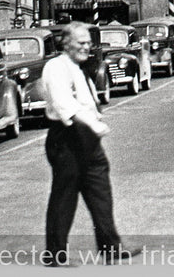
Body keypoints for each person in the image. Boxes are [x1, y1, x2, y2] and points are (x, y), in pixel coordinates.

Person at [40, 22, 140, 266]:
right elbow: (66, 106)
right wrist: (94, 125)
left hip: (88, 141)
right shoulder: (56, 68)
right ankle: (54, 252)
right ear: (66, 44)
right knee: (65, 195)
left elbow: (87, 102)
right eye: (81, 42)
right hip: (66, 138)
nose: (86, 47)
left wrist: (96, 121)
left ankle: (110, 246)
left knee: (100, 191)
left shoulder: (78, 68)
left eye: (88, 43)